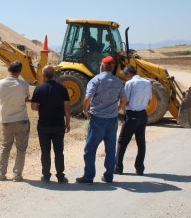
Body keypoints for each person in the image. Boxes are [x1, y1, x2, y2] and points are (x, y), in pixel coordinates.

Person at [76, 56, 127, 184]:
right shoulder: (118, 82)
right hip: (112, 119)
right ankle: (108, 176)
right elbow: (124, 99)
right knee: (110, 149)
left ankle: (88, 176)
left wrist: (85, 110)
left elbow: (88, 98)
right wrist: (118, 108)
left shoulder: (96, 80)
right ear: (113, 67)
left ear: (102, 66)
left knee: (90, 149)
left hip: (98, 119)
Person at [31, 65, 71, 183]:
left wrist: (43, 108)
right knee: (59, 151)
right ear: (54, 75)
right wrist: (67, 122)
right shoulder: (62, 88)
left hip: (43, 125)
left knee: (45, 151)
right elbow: (67, 107)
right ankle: (60, 176)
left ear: (43, 75)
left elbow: (33, 106)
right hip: (59, 124)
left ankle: (46, 175)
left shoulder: (39, 88)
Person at [0, 61, 30, 182]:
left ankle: (1, 174)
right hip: (21, 119)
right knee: (21, 149)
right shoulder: (24, 84)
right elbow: (26, 98)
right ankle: (17, 175)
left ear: (8, 69)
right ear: (20, 71)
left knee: (5, 146)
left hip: (6, 120)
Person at [115, 65, 152, 176]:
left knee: (122, 141)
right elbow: (150, 101)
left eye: (125, 75)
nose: (125, 77)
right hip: (143, 115)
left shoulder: (129, 83)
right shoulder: (147, 83)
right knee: (141, 143)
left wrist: (117, 110)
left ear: (129, 74)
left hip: (132, 115)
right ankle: (139, 168)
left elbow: (125, 101)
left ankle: (118, 167)